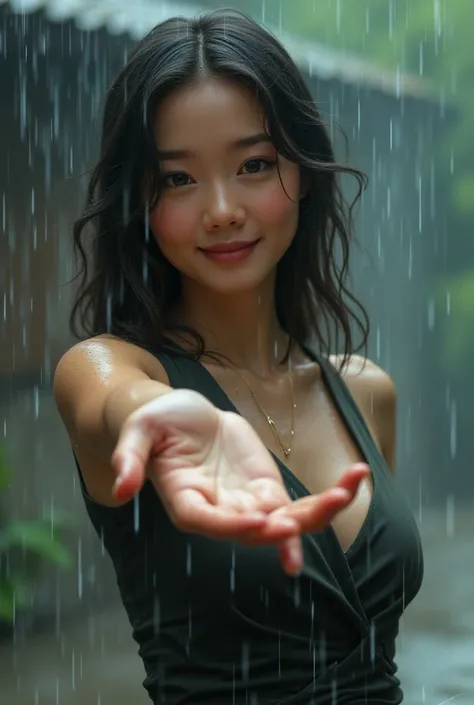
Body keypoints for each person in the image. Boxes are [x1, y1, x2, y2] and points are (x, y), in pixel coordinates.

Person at [53, 9, 424, 705]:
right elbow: (115, 400)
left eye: (254, 165)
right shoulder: (112, 369)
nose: (221, 209)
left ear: (303, 172)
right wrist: (164, 413)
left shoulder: (367, 390)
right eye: (178, 180)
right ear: (139, 201)